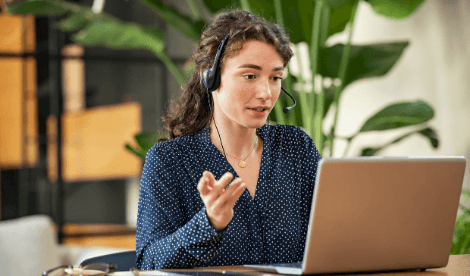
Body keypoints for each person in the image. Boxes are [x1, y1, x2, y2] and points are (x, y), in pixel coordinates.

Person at [136, 10, 321, 270]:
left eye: (275, 78)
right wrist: (209, 223)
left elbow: (330, 239)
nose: (266, 93)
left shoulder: (296, 147)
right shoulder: (170, 161)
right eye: (250, 76)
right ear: (210, 77)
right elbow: (148, 261)